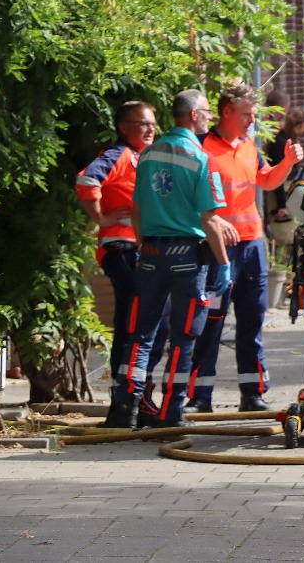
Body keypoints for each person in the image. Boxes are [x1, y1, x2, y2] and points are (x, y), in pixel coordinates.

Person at [119, 89, 232, 429]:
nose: (210, 117)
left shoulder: (148, 154)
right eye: (207, 112)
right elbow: (210, 219)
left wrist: (145, 247)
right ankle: (171, 412)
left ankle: (126, 408)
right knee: (183, 338)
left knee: (141, 335)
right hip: (187, 258)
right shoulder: (201, 158)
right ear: (194, 115)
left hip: (150, 255)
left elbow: (137, 210)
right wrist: (223, 263)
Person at [190, 82, 304, 413]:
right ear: (226, 112)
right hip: (217, 248)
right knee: (211, 321)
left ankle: (252, 393)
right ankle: (200, 397)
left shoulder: (247, 145)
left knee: (252, 318)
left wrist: (287, 163)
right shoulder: (202, 148)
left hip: (252, 244)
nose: (252, 120)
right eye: (246, 114)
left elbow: (266, 180)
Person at [76, 100, 165, 428]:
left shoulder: (145, 157)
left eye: (152, 123)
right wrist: (101, 217)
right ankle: (124, 405)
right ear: (124, 127)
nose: (150, 129)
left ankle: (138, 399)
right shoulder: (119, 154)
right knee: (133, 325)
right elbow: (87, 181)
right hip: (122, 249)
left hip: (141, 251)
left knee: (150, 326)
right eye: (143, 123)